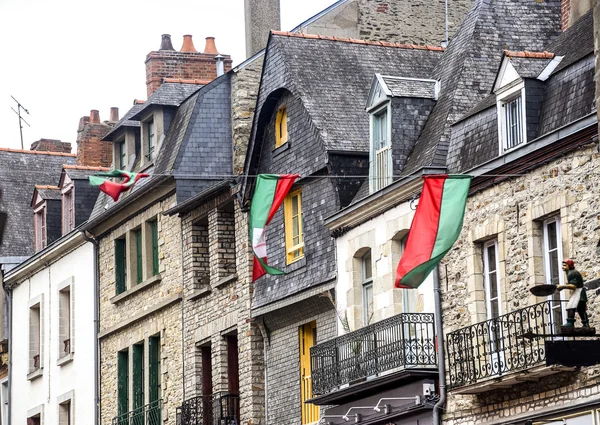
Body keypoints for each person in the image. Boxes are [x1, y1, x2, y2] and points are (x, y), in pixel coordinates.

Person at [557, 259, 589, 328]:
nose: (563, 267)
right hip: (579, 292)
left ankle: (570, 323)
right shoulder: (570, 272)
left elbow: (573, 286)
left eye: (565, 265)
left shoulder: (572, 273)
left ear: (569, 266)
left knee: (570, 306)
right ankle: (585, 324)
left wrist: (562, 286)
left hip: (578, 292)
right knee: (581, 309)